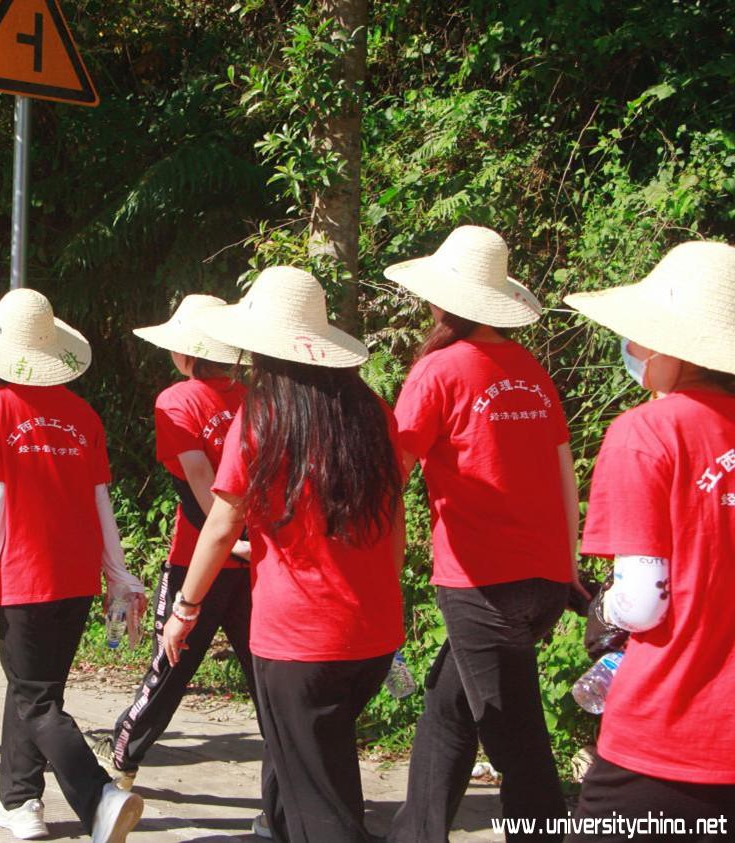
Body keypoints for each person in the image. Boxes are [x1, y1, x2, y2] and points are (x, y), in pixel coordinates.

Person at [162, 266, 405, 843]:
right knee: (324, 774)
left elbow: (221, 525)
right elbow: (393, 521)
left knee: (323, 810)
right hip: (371, 632)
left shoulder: (264, 414)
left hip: (298, 640)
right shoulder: (373, 411)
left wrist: (186, 609)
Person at [383, 226, 581, 841]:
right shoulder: (531, 370)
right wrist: (568, 565)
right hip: (545, 577)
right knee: (448, 707)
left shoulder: (438, 370)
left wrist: (375, 564)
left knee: (517, 743)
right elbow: (564, 471)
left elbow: (391, 474)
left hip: (482, 583)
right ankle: (416, 832)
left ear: (442, 301)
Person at [0, 287, 148, 843]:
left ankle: (100, 798)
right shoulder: (82, 414)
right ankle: (20, 802)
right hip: (74, 577)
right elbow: (100, 501)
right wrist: (116, 573)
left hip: (23, 576)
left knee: (36, 700)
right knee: (37, 691)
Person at [562, 241, 735, 840]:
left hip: (673, 725)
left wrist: (599, 606)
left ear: (668, 348)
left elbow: (642, 601)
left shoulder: (647, 433)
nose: (632, 350)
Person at [94, 294, 258, 789]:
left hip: (199, 555)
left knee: (172, 659)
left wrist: (228, 541)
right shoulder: (256, 397)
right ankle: (292, 774)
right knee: (266, 672)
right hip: (257, 554)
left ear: (187, 354)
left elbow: (201, 478)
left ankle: (123, 756)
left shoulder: (177, 400)